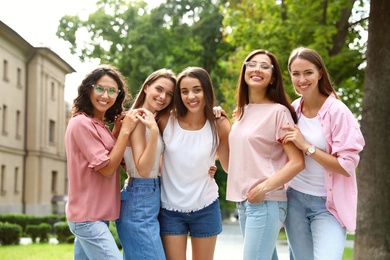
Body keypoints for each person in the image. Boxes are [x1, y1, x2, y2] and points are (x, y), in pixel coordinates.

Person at [281, 47, 365, 260]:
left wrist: (306, 146)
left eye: (308, 72)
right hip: (295, 200)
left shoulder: (338, 111)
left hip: (328, 205)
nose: (302, 79)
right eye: (296, 73)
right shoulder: (293, 110)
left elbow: (347, 166)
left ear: (319, 73)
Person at [226, 49, 305, 260]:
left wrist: (263, 188)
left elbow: (297, 162)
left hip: (266, 201)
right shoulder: (242, 112)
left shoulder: (278, 112)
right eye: (252, 64)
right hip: (244, 203)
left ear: (273, 78)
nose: (257, 69)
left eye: (264, 66)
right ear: (244, 71)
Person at [65, 65, 144, 259]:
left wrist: (117, 131)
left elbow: (113, 158)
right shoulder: (81, 122)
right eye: (100, 88)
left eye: (112, 91)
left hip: (97, 217)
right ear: (88, 89)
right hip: (87, 218)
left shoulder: (100, 125)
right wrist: (125, 131)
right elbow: (107, 169)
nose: (105, 95)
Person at [157, 66, 231, 260]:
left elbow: (230, 166)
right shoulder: (165, 120)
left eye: (197, 89)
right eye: (184, 91)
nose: (191, 96)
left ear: (206, 89)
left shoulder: (219, 124)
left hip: (205, 206)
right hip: (170, 208)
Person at [115, 68, 176, 260]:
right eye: (158, 89)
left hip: (147, 196)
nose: (163, 96)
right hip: (139, 199)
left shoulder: (149, 118)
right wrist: (154, 131)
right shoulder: (138, 119)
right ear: (147, 87)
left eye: (169, 94)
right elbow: (142, 167)